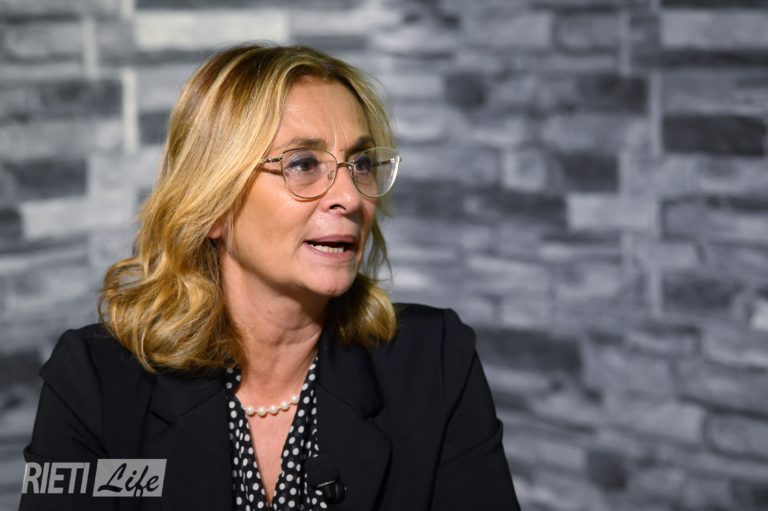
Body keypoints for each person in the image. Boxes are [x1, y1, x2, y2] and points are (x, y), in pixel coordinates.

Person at [20, 43, 520, 511]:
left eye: (362, 164)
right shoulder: (92, 383)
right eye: (303, 164)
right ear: (212, 205)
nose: (350, 197)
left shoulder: (436, 362)